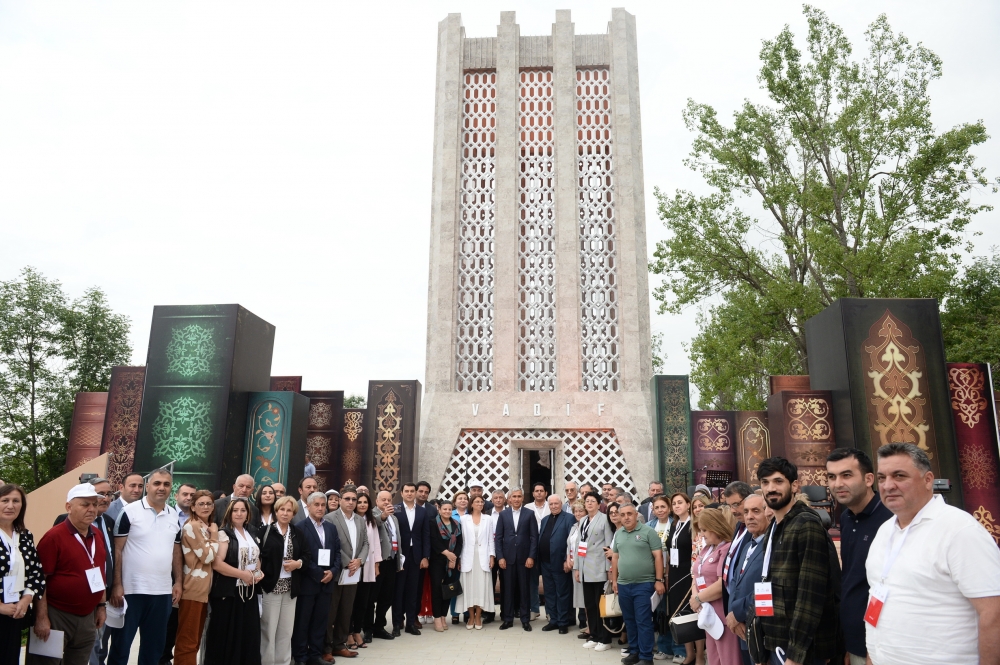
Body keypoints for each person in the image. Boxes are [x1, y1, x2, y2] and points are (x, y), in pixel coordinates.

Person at [865, 443, 1000, 665]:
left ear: (928, 480)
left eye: (899, 476)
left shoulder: (959, 530)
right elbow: (878, 595)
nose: (888, 485)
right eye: (882, 478)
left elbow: (994, 613)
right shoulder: (884, 531)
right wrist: (873, 655)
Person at [757, 457, 841, 665]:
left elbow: (810, 596)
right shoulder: (774, 527)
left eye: (778, 481)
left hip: (802, 649)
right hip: (777, 638)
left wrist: (795, 655)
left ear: (794, 485)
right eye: (765, 482)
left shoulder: (806, 524)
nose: (771, 488)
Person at [824, 448, 892, 665]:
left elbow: (890, 589)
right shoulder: (846, 518)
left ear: (869, 479)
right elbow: (851, 578)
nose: (837, 484)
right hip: (854, 637)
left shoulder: (891, 519)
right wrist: (850, 642)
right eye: (832, 477)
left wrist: (873, 645)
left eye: (846, 475)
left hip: (881, 644)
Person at [108, 468, 181, 665]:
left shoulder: (173, 515)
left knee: (153, 650)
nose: (161, 488)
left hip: (162, 593)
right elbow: (117, 550)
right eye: (157, 483)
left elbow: (176, 552)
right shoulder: (129, 512)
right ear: (147, 486)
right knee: (120, 648)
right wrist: (117, 585)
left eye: (166, 484)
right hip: (131, 591)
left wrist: (178, 582)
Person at [32, 484, 106, 665]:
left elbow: (100, 572)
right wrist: (41, 618)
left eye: (94, 504)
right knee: (46, 662)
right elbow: (40, 581)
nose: (91, 509)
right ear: (68, 507)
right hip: (57, 614)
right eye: (85, 504)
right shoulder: (53, 537)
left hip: (87, 616)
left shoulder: (97, 534)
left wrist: (101, 606)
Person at [611, 502, 665, 665]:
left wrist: (659, 580)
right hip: (623, 585)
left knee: (643, 620)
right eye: (622, 515)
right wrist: (614, 580)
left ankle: (646, 657)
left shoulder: (648, 532)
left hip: (644, 584)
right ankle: (634, 651)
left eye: (629, 514)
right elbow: (615, 558)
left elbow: (658, 557)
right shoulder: (619, 534)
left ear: (636, 515)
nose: (626, 517)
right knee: (629, 620)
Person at [291, 492, 341, 665]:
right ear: (309, 506)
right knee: (303, 622)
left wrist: (333, 571)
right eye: (316, 505)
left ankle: (315, 655)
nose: (320, 508)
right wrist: (319, 573)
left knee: (320, 621)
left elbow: (337, 553)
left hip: (327, 584)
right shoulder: (300, 527)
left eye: (322, 505)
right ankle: (300, 656)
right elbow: (301, 555)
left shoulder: (331, 527)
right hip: (308, 582)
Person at [687, 508, 739, 665]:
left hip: (721, 614)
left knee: (728, 659)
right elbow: (696, 575)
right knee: (714, 658)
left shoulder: (726, 548)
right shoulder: (707, 548)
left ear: (715, 527)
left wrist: (698, 598)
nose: (702, 534)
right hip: (707, 613)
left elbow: (722, 584)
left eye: (704, 530)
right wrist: (695, 596)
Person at [171, 490, 218, 665]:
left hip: (203, 590)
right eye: (201, 504)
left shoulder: (206, 526)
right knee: (188, 641)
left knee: (195, 640)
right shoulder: (192, 526)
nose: (205, 507)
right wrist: (215, 535)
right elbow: (207, 557)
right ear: (192, 507)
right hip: (193, 588)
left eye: (209, 504)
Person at [323, 486, 369, 660]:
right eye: (347, 499)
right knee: (330, 612)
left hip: (353, 573)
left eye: (353, 499)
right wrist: (348, 562)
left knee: (346, 610)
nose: (351, 502)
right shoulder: (330, 518)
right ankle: (326, 648)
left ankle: (339, 644)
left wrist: (359, 560)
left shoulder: (360, 520)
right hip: (336, 572)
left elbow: (366, 543)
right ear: (340, 500)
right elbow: (331, 544)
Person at [0, 484, 43, 662]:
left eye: (16, 501)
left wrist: (26, 599)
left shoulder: (25, 536)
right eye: (5, 500)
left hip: (14, 613)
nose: (10, 506)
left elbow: (35, 572)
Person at [259, 495, 304, 665]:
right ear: (276, 512)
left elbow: (307, 555)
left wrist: (298, 564)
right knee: (268, 629)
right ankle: (267, 662)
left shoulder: (298, 533)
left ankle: (283, 662)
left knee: (286, 630)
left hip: (290, 588)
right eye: (282, 510)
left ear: (294, 514)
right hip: (270, 587)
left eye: (289, 510)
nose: (285, 513)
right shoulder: (265, 531)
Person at [725, 494, 770, 665]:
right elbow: (734, 582)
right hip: (742, 628)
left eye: (756, 511)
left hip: (762, 630)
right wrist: (733, 614)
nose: (749, 516)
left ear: (768, 513)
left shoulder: (772, 547)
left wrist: (738, 613)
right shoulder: (747, 546)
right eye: (746, 512)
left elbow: (768, 589)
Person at [159, 482, 197, 665]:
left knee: (184, 623)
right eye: (185, 494)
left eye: (192, 495)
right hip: (167, 575)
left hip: (193, 577)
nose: (188, 498)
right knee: (166, 622)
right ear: (176, 496)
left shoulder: (200, 519)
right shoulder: (167, 515)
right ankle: (162, 658)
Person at [575, 490, 614, 650]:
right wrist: (577, 568)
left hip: (599, 568)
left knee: (600, 605)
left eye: (592, 501)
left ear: (599, 504)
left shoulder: (604, 519)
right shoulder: (583, 520)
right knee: (590, 605)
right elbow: (579, 545)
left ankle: (605, 639)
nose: (589, 503)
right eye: (587, 501)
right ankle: (594, 635)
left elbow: (608, 545)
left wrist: (608, 569)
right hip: (585, 568)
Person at [495, 488, 538, 632]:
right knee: (507, 590)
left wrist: (531, 556)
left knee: (524, 590)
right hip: (507, 560)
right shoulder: (503, 515)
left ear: (522, 498)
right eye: (514, 496)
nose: (516, 499)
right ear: (509, 499)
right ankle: (508, 619)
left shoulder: (529, 514)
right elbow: (498, 538)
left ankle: (525, 620)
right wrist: (500, 557)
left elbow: (534, 538)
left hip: (524, 559)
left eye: (519, 496)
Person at [393, 482, 430, 636]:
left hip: (416, 556)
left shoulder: (422, 511)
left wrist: (425, 556)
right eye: (406, 491)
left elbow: (425, 535)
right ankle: (396, 624)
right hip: (400, 556)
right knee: (398, 591)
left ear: (415, 493)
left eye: (412, 491)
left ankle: (410, 623)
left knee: (413, 591)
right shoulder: (395, 509)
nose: (409, 493)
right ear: (401, 493)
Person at [663, 492, 694, 665]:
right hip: (674, 573)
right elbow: (670, 552)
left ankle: (697, 655)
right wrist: (667, 574)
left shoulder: (693, 524)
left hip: (688, 573)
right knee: (679, 613)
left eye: (680, 502)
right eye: (674, 503)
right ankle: (688, 653)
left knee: (691, 612)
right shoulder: (675, 524)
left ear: (688, 504)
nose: (676, 506)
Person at [348, 492, 381, 649]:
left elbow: (376, 544)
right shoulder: (351, 519)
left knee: (363, 602)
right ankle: (348, 633)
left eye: (365, 502)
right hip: (352, 566)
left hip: (368, 566)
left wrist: (376, 565)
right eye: (359, 502)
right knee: (350, 602)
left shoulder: (371, 521)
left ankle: (357, 632)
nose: (362, 504)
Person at [457, 494, 495, 629]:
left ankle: (478, 616)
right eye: (477, 501)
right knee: (468, 588)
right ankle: (471, 617)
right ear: (471, 504)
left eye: (481, 502)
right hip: (468, 557)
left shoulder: (488, 519)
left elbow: (491, 539)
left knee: (481, 588)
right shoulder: (464, 519)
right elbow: (461, 541)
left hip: (483, 558)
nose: (480, 504)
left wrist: (492, 556)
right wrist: (459, 558)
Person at [537, 495, 574, 633]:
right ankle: (553, 620)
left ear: (561, 504)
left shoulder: (569, 518)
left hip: (560, 563)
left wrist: (566, 559)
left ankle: (563, 622)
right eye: (551, 504)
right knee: (549, 593)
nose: (553, 506)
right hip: (546, 563)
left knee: (562, 593)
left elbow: (571, 541)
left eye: (556, 503)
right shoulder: (545, 519)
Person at [370, 490, 401, 641]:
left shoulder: (394, 518)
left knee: (387, 597)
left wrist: (399, 561)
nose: (387, 502)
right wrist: (383, 515)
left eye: (389, 500)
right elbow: (376, 522)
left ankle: (379, 626)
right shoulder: (372, 514)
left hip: (391, 561)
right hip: (377, 562)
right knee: (372, 597)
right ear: (377, 501)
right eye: (383, 500)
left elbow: (397, 539)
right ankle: (367, 627)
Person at [428, 499, 462, 632]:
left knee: (448, 590)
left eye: (449, 509)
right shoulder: (433, 523)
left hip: (452, 562)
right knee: (437, 590)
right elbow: (434, 541)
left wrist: (454, 557)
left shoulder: (456, 524)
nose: (447, 511)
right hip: (437, 561)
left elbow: (460, 542)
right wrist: (447, 553)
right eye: (444, 509)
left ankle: (443, 616)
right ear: (439, 510)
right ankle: (437, 618)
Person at [525, 482, 548, 620]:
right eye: (536, 491)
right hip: (531, 548)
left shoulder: (551, 506)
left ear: (546, 493)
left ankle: (550, 611)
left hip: (547, 548)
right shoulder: (527, 508)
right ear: (533, 493)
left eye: (541, 490)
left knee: (548, 581)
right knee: (532, 581)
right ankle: (534, 609)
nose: (539, 493)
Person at [484, 489, 507, 624]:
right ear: (492, 500)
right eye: (496, 498)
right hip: (490, 554)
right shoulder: (486, 514)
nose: (498, 500)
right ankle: (489, 613)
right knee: (489, 584)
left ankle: (506, 612)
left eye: (500, 497)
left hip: (506, 554)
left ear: (505, 500)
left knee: (506, 584)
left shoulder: (509, 513)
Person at [565, 500, 587, 633]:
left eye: (581, 511)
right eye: (576, 511)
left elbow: (583, 547)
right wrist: (568, 558)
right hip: (573, 564)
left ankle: (585, 620)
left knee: (584, 594)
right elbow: (569, 544)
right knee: (577, 594)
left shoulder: (586, 526)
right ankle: (580, 619)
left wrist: (577, 563)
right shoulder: (574, 526)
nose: (578, 514)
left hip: (583, 565)